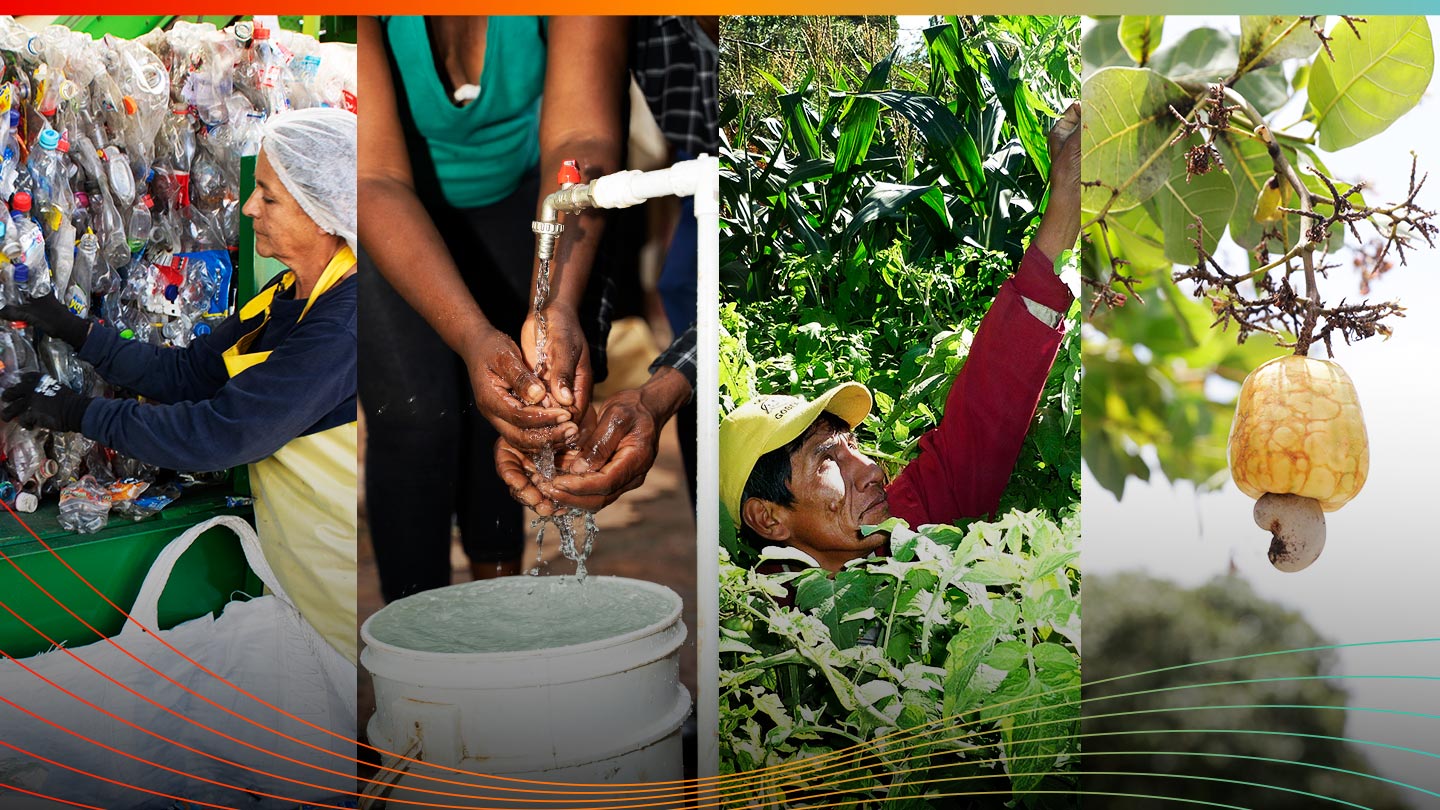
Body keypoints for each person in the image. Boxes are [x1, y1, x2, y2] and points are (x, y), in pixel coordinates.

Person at [1, 108, 359, 664]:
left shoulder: (346, 322)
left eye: (267, 197)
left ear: (323, 212)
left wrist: (77, 413)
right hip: (310, 576)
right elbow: (188, 374)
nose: (247, 208)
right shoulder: (288, 294)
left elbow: (220, 434)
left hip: (354, 583)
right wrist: (74, 330)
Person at [717, 103, 1082, 574]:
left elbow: (987, 411)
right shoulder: (768, 635)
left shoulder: (909, 515)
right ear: (768, 518)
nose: (871, 470)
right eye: (828, 459)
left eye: (853, 446)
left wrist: (1066, 204)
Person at [357, 16, 629, 600]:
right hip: (381, 200)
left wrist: (555, 303)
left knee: (517, 400)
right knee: (412, 418)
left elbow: (582, 138)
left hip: (527, 192)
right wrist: (472, 334)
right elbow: (372, 173)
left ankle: (500, 622)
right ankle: (417, 653)